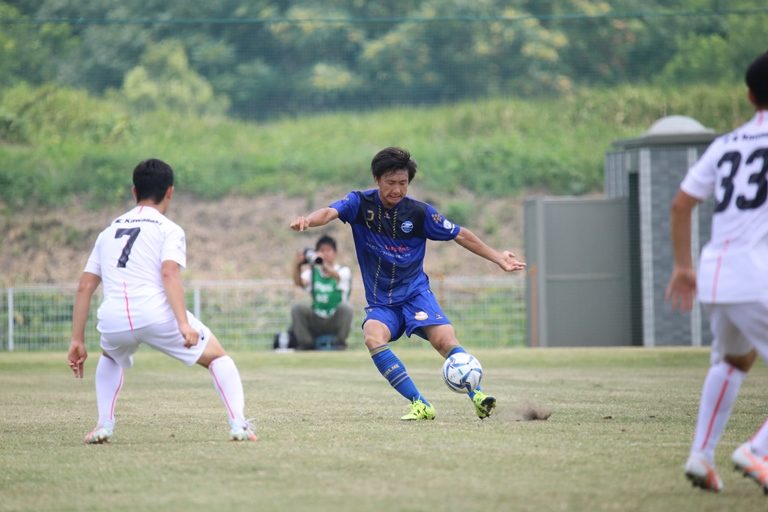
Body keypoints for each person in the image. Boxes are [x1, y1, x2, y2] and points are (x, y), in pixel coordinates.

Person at [290, 146, 526, 420]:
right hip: (382, 302)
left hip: (415, 295)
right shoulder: (359, 204)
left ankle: (478, 396)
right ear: (377, 179)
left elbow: (460, 234)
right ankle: (420, 404)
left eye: (403, 183)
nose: (397, 189)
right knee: (373, 337)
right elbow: (330, 212)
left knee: (445, 340)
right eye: (390, 182)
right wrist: (308, 221)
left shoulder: (419, 213)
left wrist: (498, 257)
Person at [66, 158, 256, 443]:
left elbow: (85, 286)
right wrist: (183, 323)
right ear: (170, 191)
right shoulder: (169, 229)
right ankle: (239, 425)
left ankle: (104, 424)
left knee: (110, 356)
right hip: (155, 313)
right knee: (218, 357)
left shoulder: (108, 232)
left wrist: (77, 339)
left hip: (114, 318)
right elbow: (169, 273)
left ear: (134, 191)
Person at [666, 50, 768, 494]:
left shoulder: (727, 144)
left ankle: (701, 456)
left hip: (715, 274)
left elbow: (681, 203)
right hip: (758, 273)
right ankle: (758, 451)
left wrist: (683, 266)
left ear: (749, 96)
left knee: (734, 361)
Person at [284, 235, 353, 350]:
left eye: (328, 250)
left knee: (346, 308)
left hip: (335, 319)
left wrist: (321, 262)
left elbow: (336, 276)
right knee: (298, 308)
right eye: (322, 251)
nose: (325, 254)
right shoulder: (313, 273)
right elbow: (299, 282)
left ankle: (340, 344)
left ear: (335, 253)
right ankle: (306, 344)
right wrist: (297, 264)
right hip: (317, 318)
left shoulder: (344, 271)